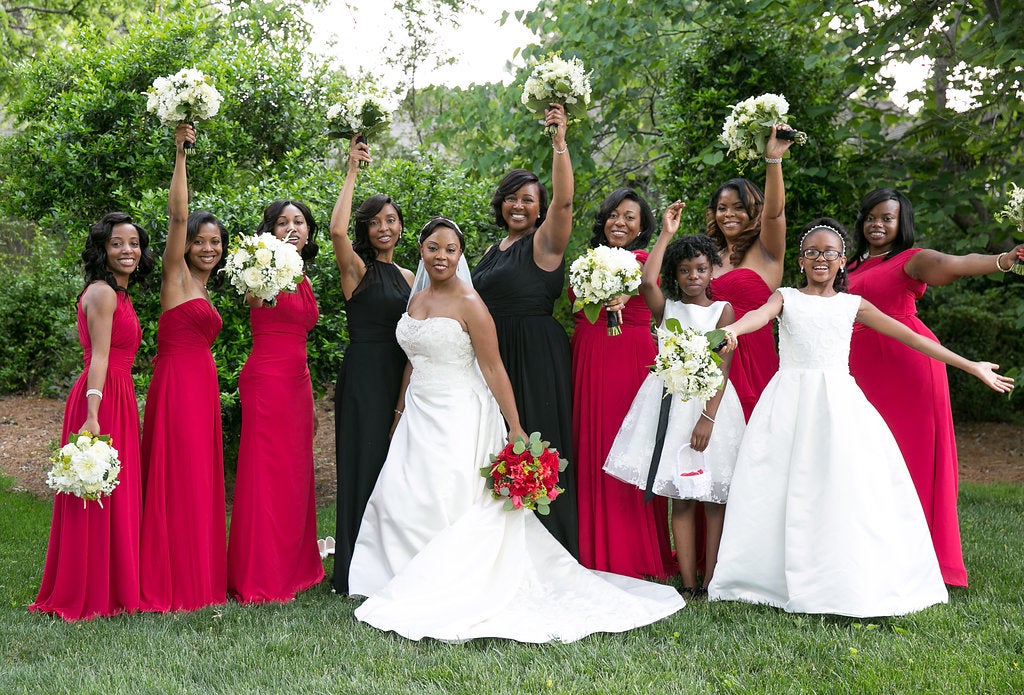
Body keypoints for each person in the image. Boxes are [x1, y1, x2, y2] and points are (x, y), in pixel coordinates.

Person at [347, 218, 685, 642]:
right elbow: (414, 361)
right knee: (404, 492)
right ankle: (398, 572)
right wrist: (399, 412)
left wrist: (516, 426)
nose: (441, 256)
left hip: (460, 414)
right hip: (419, 412)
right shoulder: (415, 300)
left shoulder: (471, 303)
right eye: (433, 247)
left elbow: (493, 367)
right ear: (421, 250)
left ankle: (452, 577)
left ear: (460, 255)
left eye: (450, 249)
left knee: (448, 492)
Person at [708, 221, 1013, 617]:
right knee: (776, 484)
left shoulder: (852, 305)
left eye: (830, 252)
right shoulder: (786, 297)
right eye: (812, 252)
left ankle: (842, 571)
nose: (821, 258)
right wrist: (733, 329)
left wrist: (971, 365)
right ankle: (767, 575)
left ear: (841, 262)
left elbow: (912, 338)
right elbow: (760, 316)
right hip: (788, 404)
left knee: (846, 483)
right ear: (800, 261)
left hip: (838, 404)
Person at [846, 188, 1024, 587]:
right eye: (871, 217)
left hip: (908, 366)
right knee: (867, 459)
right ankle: (871, 552)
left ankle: (927, 559)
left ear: (902, 223)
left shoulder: (913, 259)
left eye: (887, 218)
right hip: (859, 369)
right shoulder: (850, 264)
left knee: (913, 458)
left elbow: (955, 265)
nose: (877, 224)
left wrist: (1004, 259)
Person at [605, 203, 745, 597]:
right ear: (675, 275)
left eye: (701, 268)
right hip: (669, 404)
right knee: (680, 499)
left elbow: (722, 369)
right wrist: (666, 233)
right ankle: (688, 583)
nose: (693, 276)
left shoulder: (723, 312)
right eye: (684, 270)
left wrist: (707, 419)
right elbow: (646, 281)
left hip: (711, 408)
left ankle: (712, 579)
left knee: (714, 498)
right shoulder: (667, 309)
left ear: (712, 271)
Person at [30, 210, 155, 620]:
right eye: (117, 243)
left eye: (133, 243)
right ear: (103, 249)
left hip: (116, 394)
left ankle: (115, 584)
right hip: (101, 398)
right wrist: (93, 414)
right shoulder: (103, 293)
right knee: (97, 492)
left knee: (112, 493)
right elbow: (99, 357)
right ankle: (91, 591)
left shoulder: (118, 293)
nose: (127, 250)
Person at [471, 103, 579, 558]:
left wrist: (559, 143)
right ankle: (504, 550)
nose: (518, 205)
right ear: (501, 203)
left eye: (528, 199)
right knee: (497, 446)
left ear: (540, 210)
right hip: (493, 357)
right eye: (512, 197)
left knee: (536, 442)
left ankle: (551, 547)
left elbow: (565, 202)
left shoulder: (546, 242)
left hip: (534, 354)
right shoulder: (492, 249)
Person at [140, 124, 228, 612]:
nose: (208, 248)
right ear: (187, 246)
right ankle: (172, 576)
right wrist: (181, 155)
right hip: (176, 383)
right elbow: (177, 215)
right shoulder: (175, 276)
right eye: (200, 241)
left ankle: (201, 573)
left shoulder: (204, 289)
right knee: (178, 473)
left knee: (198, 477)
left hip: (202, 384)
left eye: (215, 242)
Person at [571, 187, 673, 578]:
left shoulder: (644, 260)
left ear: (641, 226)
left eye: (630, 217)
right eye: (614, 214)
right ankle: (591, 546)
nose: (620, 222)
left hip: (629, 357)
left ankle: (633, 549)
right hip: (588, 353)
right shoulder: (586, 261)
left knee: (630, 445)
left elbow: (646, 285)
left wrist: (666, 235)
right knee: (591, 442)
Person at [226, 198, 324, 603]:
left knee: (294, 474)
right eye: (283, 222)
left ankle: (295, 566)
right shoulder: (262, 271)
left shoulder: (302, 276)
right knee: (266, 474)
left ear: (308, 230)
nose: (292, 227)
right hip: (267, 381)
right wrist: (267, 261)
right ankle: (261, 574)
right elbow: (256, 300)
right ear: (270, 231)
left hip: (297, 383)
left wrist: (311, 399)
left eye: (299, 221)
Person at [329, 136, 414, 595]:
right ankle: (354, 568)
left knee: (395, 467)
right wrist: (352, 171)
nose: (384, 227)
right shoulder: (357, 270)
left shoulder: (409, 276)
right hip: (364, 376)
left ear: (401, 227)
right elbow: (336, 232)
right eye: (376, 221)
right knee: (363, 462)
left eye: (391, 220)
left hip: (402, 377)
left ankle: (391, 562)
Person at [706, 125, 795, 420]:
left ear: (754, 210)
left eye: (738, 207)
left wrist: (774, 159)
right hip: (713, 361)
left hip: (755, 359)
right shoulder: (708, 257)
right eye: (722, 208)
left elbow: (775, 213)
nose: (728, 214)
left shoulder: (767, 250)